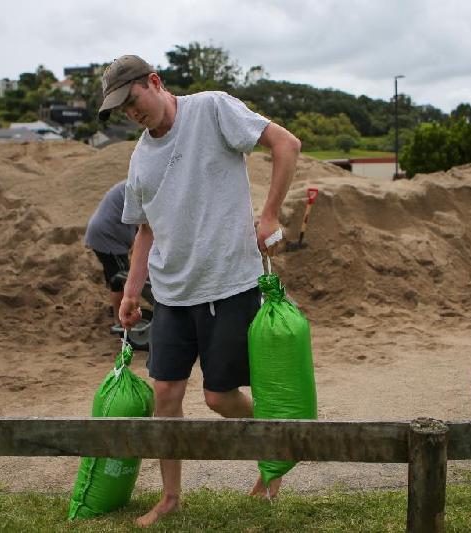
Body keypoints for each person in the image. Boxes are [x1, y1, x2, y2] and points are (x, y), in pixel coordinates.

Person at [98, 55, 301, 527]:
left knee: (219, 396)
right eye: (122, 111)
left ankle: (275, 452)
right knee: (165, 394)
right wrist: (132, 290)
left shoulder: (212, 110)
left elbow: (285, 144)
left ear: (155, 81)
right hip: (170, 293)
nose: (132, 114)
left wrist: (269, 215)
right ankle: (170, 498)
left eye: (133, 101)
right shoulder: (140, 158)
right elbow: (145, 230)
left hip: (228, 283)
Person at [84, 181, 137, 332]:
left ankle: (117, 310)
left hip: (105, 234)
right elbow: (142, 225)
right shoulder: (134, 188)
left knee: (118, 277)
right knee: (121, 279)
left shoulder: (132, 185)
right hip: (107, 237)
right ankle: (119, 320)